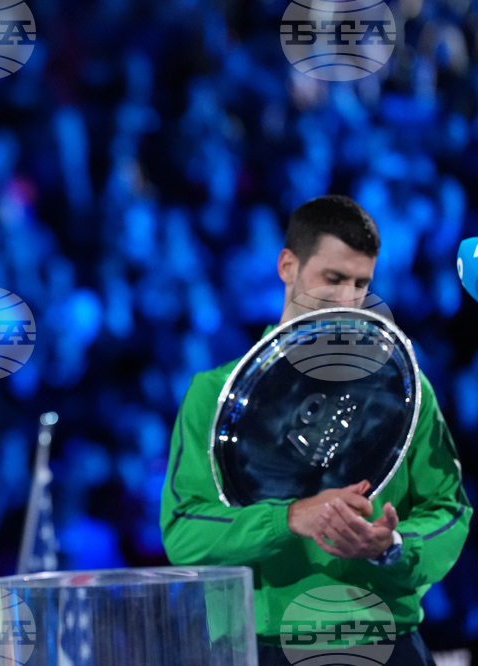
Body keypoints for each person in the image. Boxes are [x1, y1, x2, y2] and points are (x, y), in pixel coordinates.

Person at [160, 195, 472, 664]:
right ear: (288, 266)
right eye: (334, 278)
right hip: (263, 647)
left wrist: (393, 545)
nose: (348, 299)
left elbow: (448, 509)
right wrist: (289, 518)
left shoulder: (406, 387)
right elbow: (184, 532)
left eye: (361, 283)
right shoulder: (213, 393)